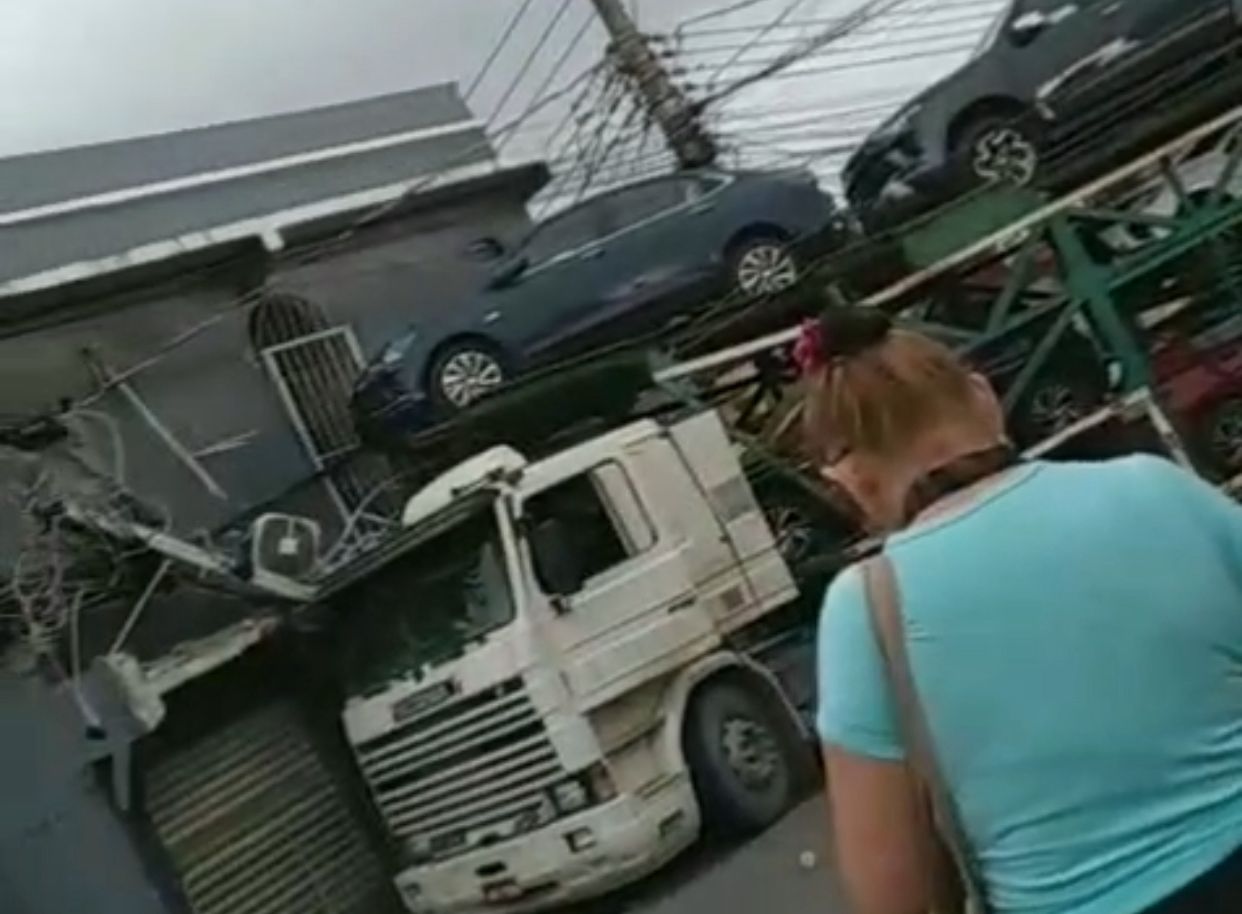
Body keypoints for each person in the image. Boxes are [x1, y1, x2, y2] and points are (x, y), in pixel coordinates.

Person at [802, 307, 1242, 914]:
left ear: (851, 481)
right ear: (983, 396)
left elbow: (891, 893)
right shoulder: (1153, 487)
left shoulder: (867, 611)